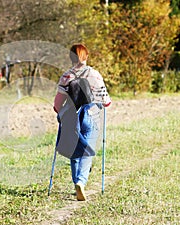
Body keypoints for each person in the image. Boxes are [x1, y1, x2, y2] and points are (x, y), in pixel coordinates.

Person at [53, 43, 111, 201]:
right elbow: (106, 101)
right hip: (90, 114)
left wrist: (62, 116)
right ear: (86, 56)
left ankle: (76, 183)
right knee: (87, 150)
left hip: (72, 116)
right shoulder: (94, 74)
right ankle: (81, 181)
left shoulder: (66, 76)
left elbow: (57, 105)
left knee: (75, 149)